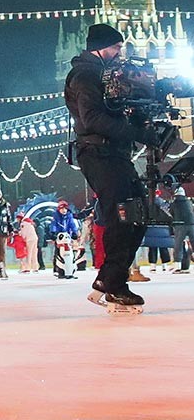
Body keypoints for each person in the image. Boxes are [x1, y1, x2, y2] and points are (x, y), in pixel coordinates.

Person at [65, 23, 165, 309]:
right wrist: (135, 132)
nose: (120, 52)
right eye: (116, 47)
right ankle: (114, 284)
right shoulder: (85, 74)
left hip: (114, 153)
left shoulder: (107, 74)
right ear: (99, 47)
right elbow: (93, 118)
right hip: (98, 153)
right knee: (122, 214)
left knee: (138, 213)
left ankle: (110, 278)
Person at [48, 200, 80, 278]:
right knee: (58, 252)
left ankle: (70, 269)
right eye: (62, 209)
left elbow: (72, 224)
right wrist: (53, 232)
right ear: (59, 209)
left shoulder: (69, 216)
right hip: (59, 236)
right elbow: (54, 225)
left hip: (67, 237)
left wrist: (74, 232)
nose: (64, 210)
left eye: (65, 208)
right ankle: (57, 269)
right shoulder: (56, 216)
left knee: (70, 252)